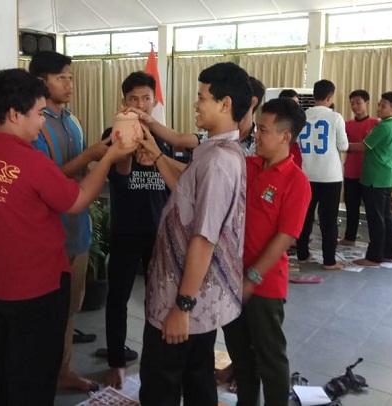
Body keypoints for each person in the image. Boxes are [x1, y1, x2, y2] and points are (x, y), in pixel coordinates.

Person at [0, 68, 134, 405]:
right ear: (14, 114)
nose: (42, 122)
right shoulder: (32, 162)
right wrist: (108, 158)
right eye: (38, 113)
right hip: (37, 290)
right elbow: (77, 200)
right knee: (33, 373)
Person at [136, 62, 252, 406]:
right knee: (196, 373)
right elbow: (187, 196)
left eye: (202, 97)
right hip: (196, 299)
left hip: (185, 299)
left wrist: (181, 307)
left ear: (225, 104)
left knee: (161, 382)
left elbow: (204, 238)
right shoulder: (213, 150)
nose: (196, 104)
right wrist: (157, 155)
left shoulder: (218, 162)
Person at [223, 97, 311, 406]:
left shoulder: (296, 181)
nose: (256, 135)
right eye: (257, 128)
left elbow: (285, 237)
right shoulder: (248, 166)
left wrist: (252, 278)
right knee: (240, 355)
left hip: (265, 285)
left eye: (263, 130)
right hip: (232, 277)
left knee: (270, 357)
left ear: (285, 136)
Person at [28, 51, 106, 391]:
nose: (69, 84)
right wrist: (90, 155)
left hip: (78, 229)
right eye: (62, 77)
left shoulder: (72, 121)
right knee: (46, 311)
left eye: (70, 77)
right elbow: (45, 181)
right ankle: (39, 376)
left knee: (71, 308)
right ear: (41, 81)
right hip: (49, 235)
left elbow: (81, 174)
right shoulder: (35, 125)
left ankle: (63, 370)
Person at [97, 71, 173, 389]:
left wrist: (155, 154)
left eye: (146, 99)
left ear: (155, 101)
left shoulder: (165, 138)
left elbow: (174, 185)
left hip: (159, 233)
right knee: (118, 297)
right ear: (124, 101)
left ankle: (157, 357)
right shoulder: (112, 134)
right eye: (134, 99)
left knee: (159, 298)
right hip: (126, 230)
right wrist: (127, 149)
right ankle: (116, 361)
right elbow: (119, 176)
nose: (140, 105)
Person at [132, 77, 265, 157]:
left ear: (252, 102)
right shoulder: (212, 137)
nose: (196, 105)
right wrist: (148, 119)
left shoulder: (261, 142)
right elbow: (178, 139)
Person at [295, 79, 349, 270]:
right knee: (328, 219)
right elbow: (344, 146)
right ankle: (329, 261)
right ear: (330, 97)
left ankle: (302, 254)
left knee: (305, 216)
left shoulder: (301, 116)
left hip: (306, 174)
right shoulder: (335, 118)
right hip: (330, 176)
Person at [351, 92, 392, 266]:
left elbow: (363, 146)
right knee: (385, 216)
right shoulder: (391, 125)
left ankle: (374, 257)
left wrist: (341, 144)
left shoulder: (383, 127)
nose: (379, 108)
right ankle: (388, 253)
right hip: (385, 175)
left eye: (383, 106)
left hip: (376, 177)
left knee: (376, 218)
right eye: (379, 105)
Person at [340, 90, 380, 246]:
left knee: (372, 209)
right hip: (351, 172)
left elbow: (370, 147)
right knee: (351, 207)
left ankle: (375, 242)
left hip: (370, 173)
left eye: (359, 103)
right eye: (352, 103)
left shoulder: (376, 123)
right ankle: (350, 237)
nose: (355, 106)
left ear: (367, 103)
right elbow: (341, 145)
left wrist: (351, 146)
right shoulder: (346, 125)